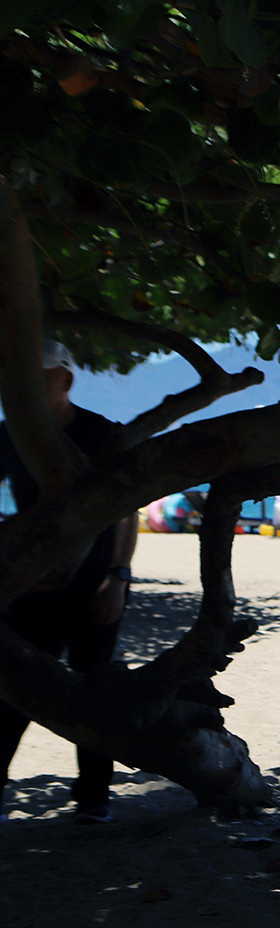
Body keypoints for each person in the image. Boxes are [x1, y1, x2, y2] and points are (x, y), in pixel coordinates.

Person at [0, 340, 138, 824]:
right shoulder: (10, 434)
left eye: (37, 379)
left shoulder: (102, 434)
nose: (23, 390)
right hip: (30, 585)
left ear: (65, 380)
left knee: (92, 685)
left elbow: (126, 510)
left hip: (94, 582)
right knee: (13, 690)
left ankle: (94, 798)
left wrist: (118, 577)